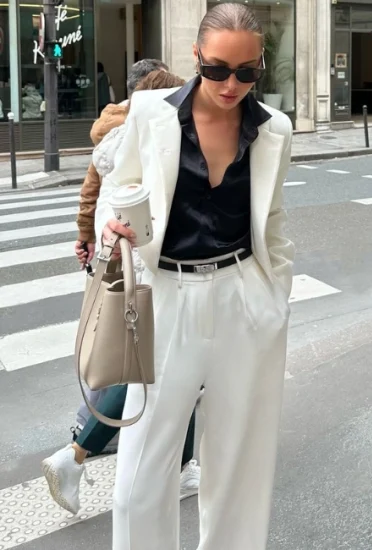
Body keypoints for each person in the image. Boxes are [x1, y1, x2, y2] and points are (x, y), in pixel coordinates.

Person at [96, 3, 294, 549]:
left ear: (260, 65)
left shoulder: (273, 129)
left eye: (246, 72)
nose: (231, 85)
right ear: (196, 58)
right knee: (139, 477)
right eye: (216, 70)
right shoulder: (150, 113)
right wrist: (115, 228)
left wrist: (275, 296)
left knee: (240, 464)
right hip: (165, 297)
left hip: (242, 298)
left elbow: (272, 224)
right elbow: (121, 188)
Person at [41, 67, 201, 516]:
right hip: (151, 271)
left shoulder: (110, 138)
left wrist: (85, 238)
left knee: (161, 370)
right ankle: (76, 455)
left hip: (114, 264)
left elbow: (89, 195)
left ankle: (178, 465)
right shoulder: (151, 141)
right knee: (146, 369)